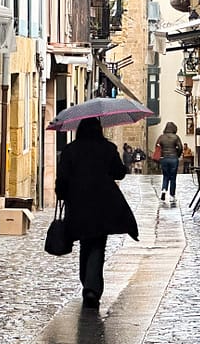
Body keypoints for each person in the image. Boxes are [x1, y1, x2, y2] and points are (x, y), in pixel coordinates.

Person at [56, 117, 139, 308]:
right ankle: (92, 288)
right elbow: (119, 173)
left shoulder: (70, 150)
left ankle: (88, 283)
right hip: (103, 203)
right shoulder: (107, 148)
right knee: (97, 244)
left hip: (78, 204)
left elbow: (62, 179)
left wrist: (62, 194)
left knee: (86, 242)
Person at [154, 122, 184, 203]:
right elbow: (180, 147)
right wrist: (177, 155)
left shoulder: (161, 137)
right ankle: (172, 195)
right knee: (173, 177)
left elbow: (157, 146)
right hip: (173, 158)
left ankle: (164, 190)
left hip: (164, 159)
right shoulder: (176, 137)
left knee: (165, 176)